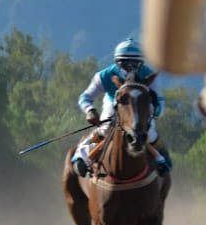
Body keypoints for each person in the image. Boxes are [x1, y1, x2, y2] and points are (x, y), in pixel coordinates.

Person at [71, 38, 171, 177]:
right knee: (105, 129)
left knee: (151, 132)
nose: (131, 68)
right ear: (118, 62)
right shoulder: (104, 75)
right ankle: (81, 156)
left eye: (135, 64)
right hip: (114, 104)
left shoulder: (148, 74)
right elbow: (85, 98)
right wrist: (90, 111)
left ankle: (163, 158)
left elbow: (159, 101)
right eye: (126, 64)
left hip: (141, 107)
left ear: (141, 63)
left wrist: (153, 112)